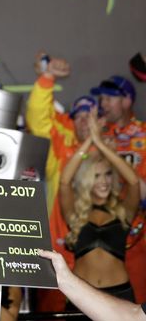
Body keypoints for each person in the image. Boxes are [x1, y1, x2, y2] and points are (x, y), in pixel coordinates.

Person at [24, 53, 92, 310]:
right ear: (71, 121)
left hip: (103, 252)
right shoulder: (61, 147)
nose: (85, 119)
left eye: (91, 113)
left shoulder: (111, 145)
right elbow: (38, 118)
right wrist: (47, 77)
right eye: (79, 115)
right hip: (61, 253)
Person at [59, 112, 140, 306]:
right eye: (96, 176)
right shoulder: (76, 213)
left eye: (107, 174)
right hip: (81, 297)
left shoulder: (123, 211)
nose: (103, 181)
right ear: (86, 180)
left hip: (119, 296)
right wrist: (90, 141)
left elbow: (134, 182)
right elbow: (64, 181)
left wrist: (101, 144)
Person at [90, 75, 146, 302]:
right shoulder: (100, 135)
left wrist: (111, 157)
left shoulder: (144, 135)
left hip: (137, 237)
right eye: (101, 99)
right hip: (100, 235)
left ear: (127, 101)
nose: (102, 104)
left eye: (109, 98)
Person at [41, 249, 146, 320]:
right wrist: (64, 280)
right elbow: (136, 316)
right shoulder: (74, 217)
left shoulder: (126, 216)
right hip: (84, 295)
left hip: (120, 289)